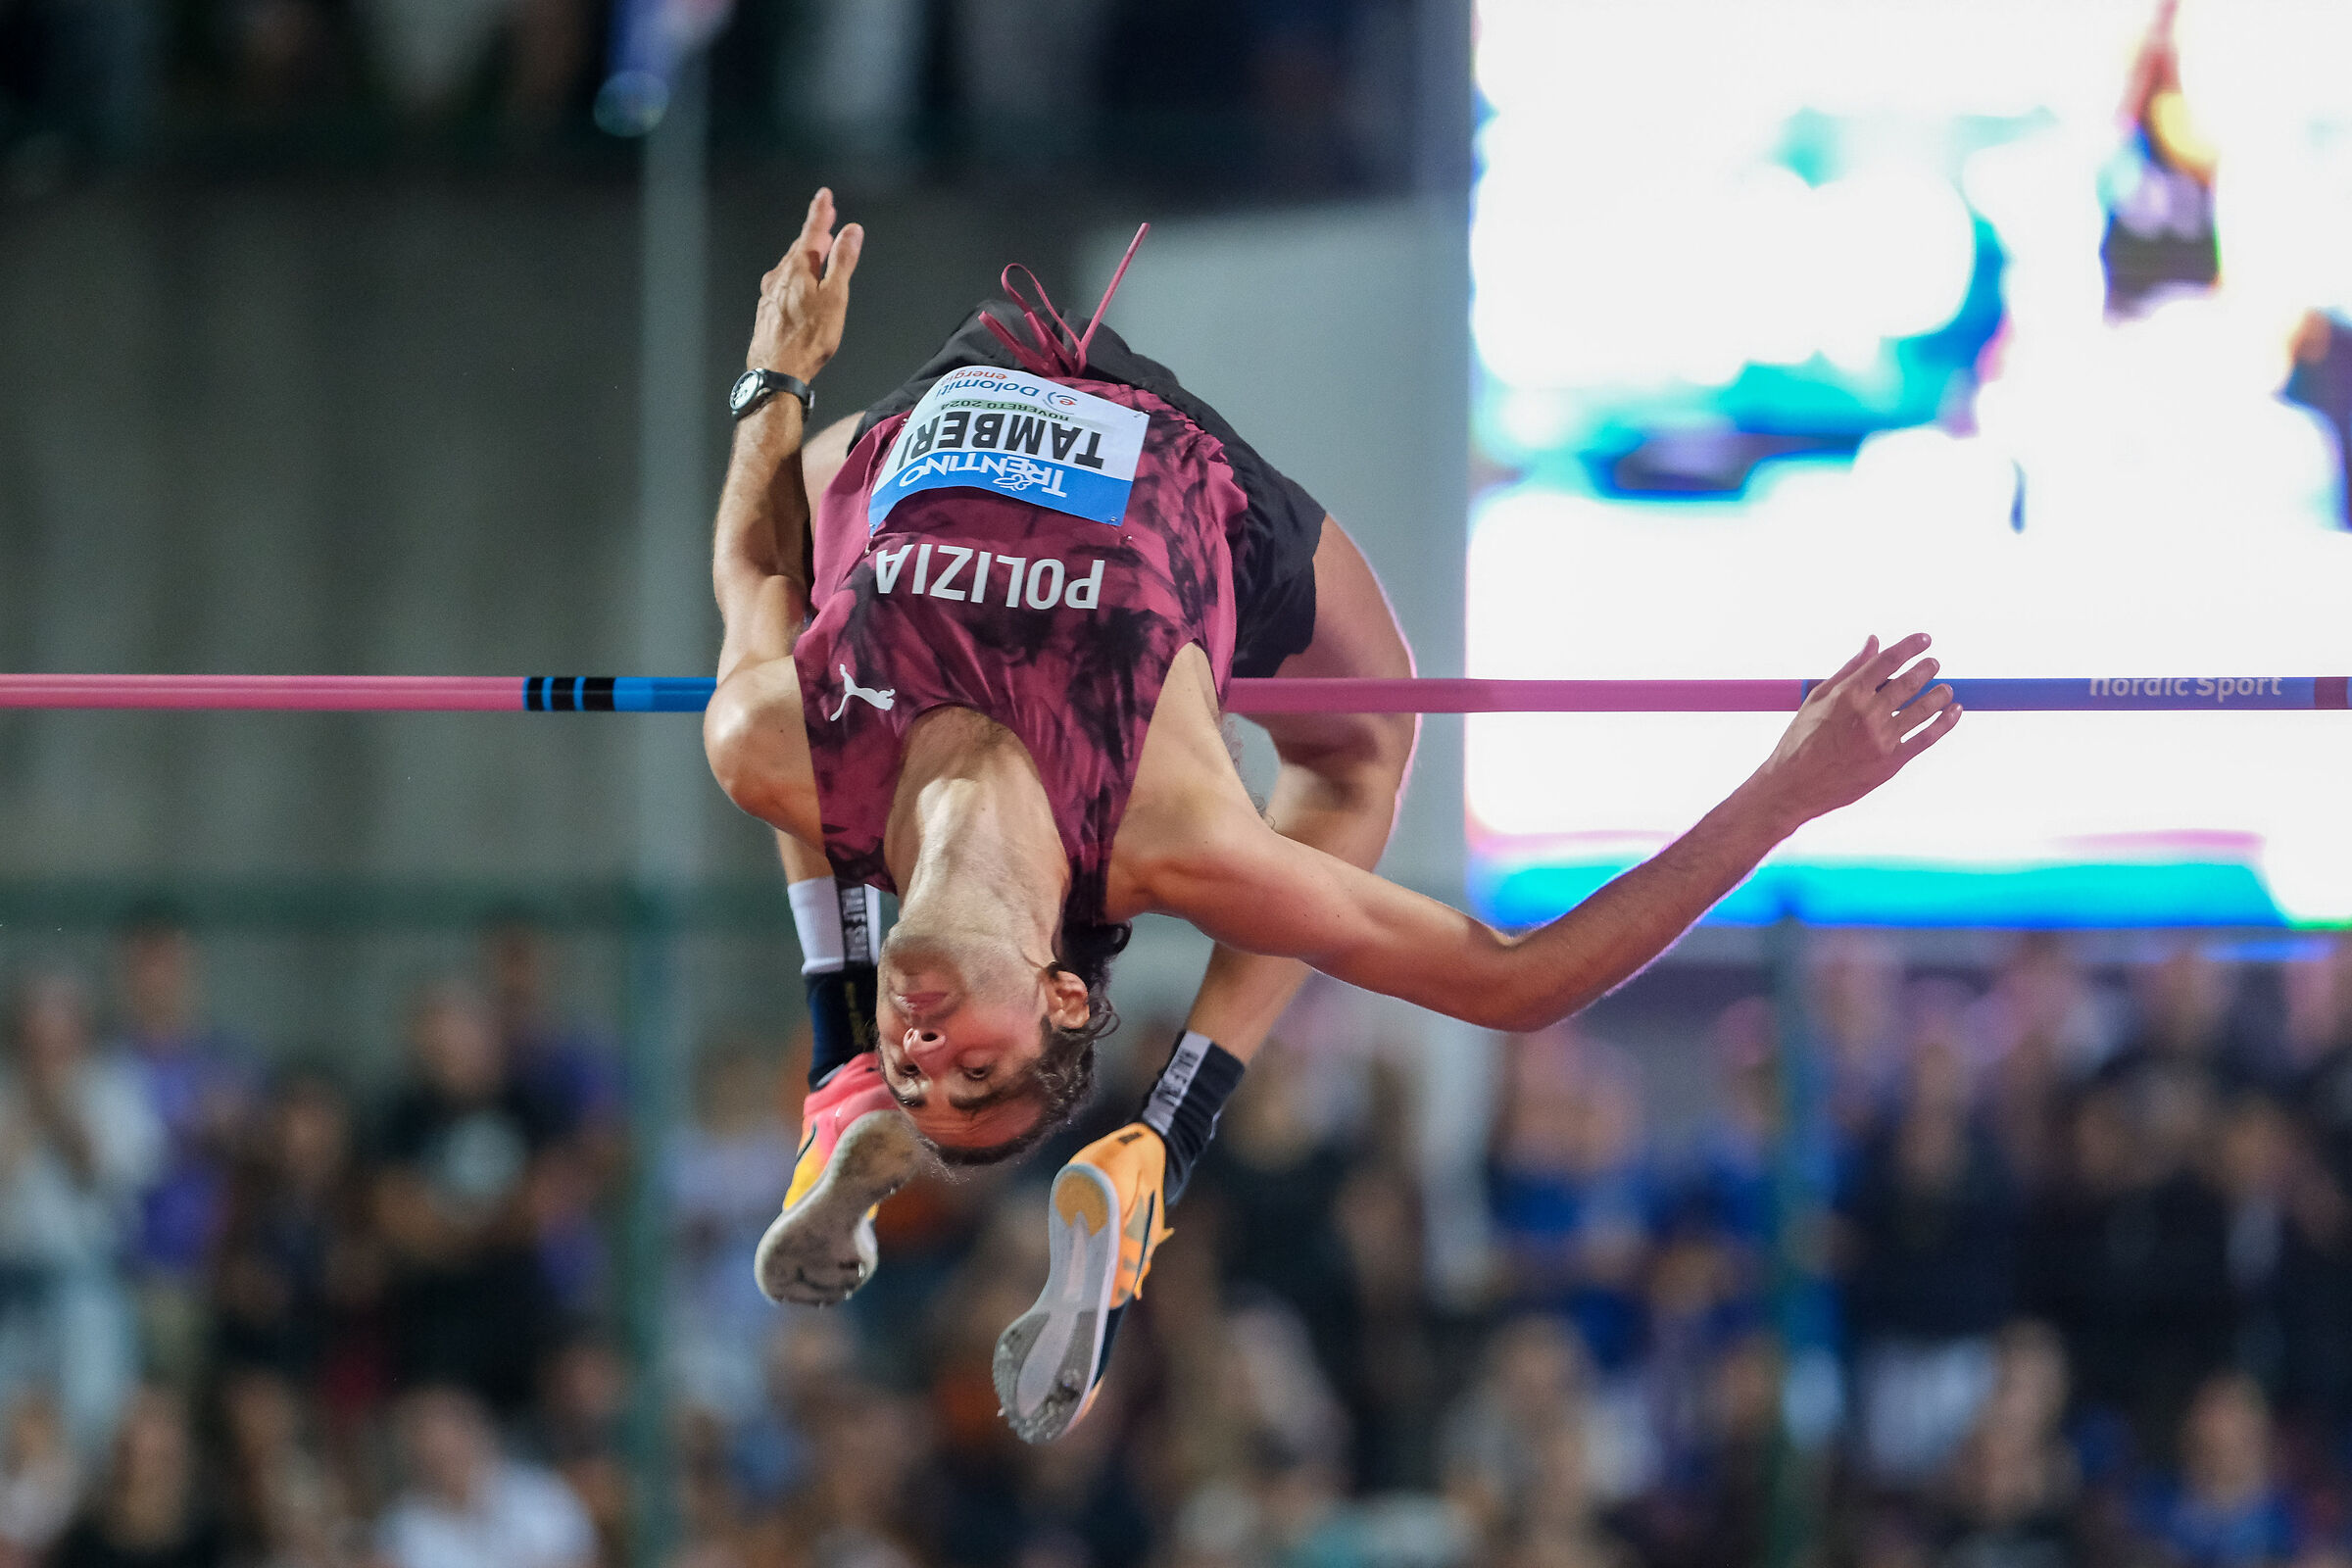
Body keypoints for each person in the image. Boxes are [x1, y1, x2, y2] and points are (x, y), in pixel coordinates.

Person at [701, 189, 1963, 1443]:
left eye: (917, 1076)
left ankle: (841, 1071)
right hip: (1159, 455)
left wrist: (773, 372)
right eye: (976, 1070)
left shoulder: (776, 740)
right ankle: (1168, 1137)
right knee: (1366, 746)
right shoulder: (1173, 824)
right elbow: (1520, 984)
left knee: (799, 589)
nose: (931, 1050)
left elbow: (756, 568)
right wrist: (1788, 793)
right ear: (1066, 994)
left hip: (935, 413)